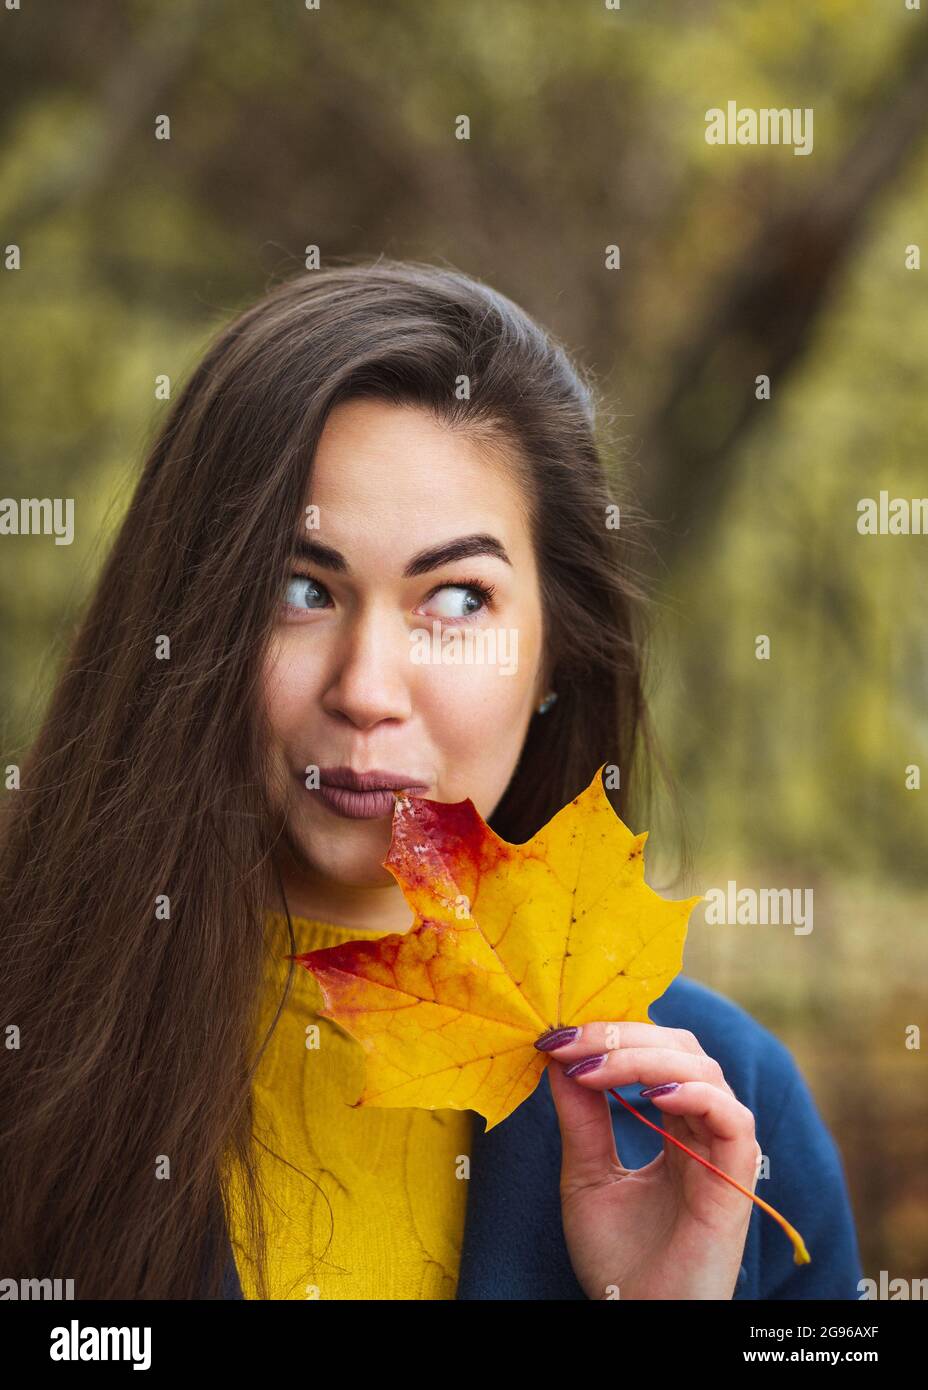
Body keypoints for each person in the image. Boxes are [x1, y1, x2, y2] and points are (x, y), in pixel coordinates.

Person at [0, 258, 862, 1300]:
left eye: (456, 600)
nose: (367, 689)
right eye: (299, 587)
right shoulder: (35, 1042)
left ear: (558, 652)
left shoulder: (716, 1115)